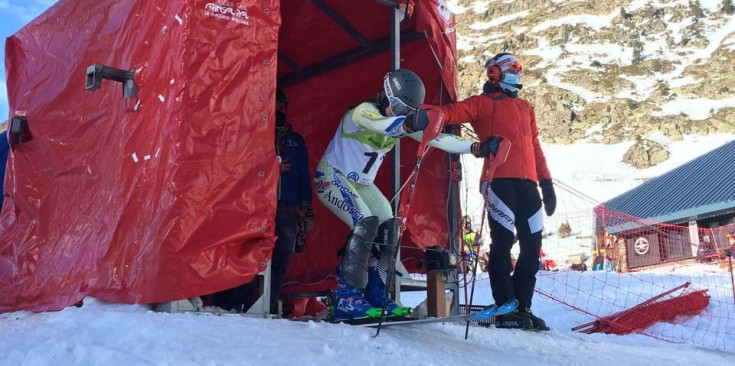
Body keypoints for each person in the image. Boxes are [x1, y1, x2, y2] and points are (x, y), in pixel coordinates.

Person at [314, 68, 502, 321]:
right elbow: (381, 124)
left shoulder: (400, 121)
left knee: (390, 226)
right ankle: (346, 296)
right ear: (386, 97)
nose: (404, 116)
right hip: (332, 177)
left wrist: (476, 147)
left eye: (408, 112)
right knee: (365, 223)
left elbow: (438, 139)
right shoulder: (362, 113)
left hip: (362, 184)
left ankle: (376, 292)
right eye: (400, 108)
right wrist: (410, 121)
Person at [419, 53, 556, 330]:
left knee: (532, 247)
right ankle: (506, 306)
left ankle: (522, 306)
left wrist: (546, 182)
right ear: (494, 73)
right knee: (503, 242)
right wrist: (422, 111)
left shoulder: (525, 106)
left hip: (528, 184)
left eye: (520, 68)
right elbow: (451, 112)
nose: (518, 73)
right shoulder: (482, 103)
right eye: (513, 68)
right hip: (499, 181)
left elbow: (535, 146)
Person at [212, 88, 314, 316]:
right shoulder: (255, 136)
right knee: (249, 258)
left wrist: (307, 209)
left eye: (283, 105)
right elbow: (240, 168)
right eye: (276, 104)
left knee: (280, 261)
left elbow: (304, 177)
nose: (279, 108)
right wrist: (272, 167)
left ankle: (267, 307)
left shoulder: (296, 141)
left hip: (287, 210)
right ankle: (234, 305)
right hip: (255, 208)